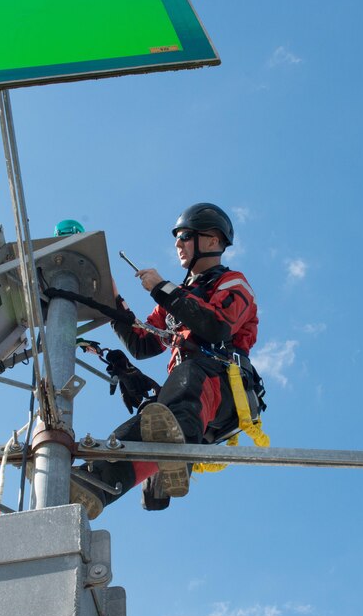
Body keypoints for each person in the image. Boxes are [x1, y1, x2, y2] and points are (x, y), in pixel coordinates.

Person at [69, 202, 259, 519]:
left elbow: (216, 327)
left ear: (212, 240)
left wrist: (161, 288)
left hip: (220, 385)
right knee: (153, 415)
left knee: (188, 378)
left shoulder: (231, 283)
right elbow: (143, 344)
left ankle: (175, 454)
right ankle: (96, 481)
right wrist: (112, 303)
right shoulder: (177, 300)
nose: (178, 244)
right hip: (187, 390)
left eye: (184, 236)